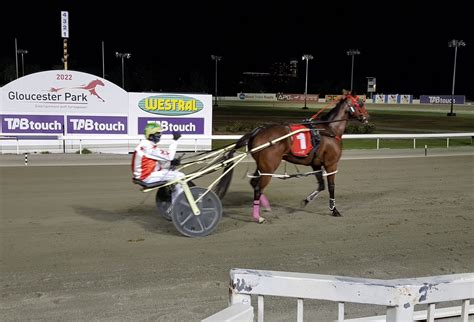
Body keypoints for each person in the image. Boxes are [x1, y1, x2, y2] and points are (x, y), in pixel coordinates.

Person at [132, 123, 184, 206]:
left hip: (144, 174)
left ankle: (175, 199)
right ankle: (177, 205)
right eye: (158, 133)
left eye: (160, 133)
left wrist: (171, 163)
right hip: (146, 176)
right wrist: (175, 140)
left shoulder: (146, 145)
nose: (160, 135)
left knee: (174, 171)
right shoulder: (148, 147)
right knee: (180, 176)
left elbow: (159, 162)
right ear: (151, 135)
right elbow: (169, 156)